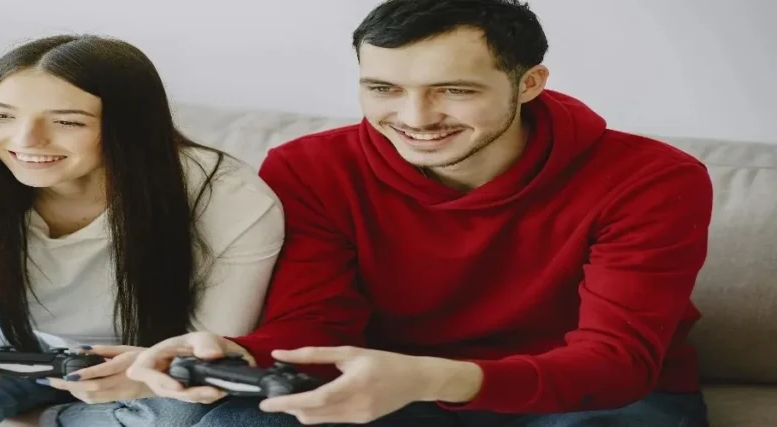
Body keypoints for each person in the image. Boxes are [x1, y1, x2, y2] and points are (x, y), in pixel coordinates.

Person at [127, 0, 714, 426]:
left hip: (588, 401)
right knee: (240, 420)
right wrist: (236, 354)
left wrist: (436, 376)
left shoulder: (652, 179)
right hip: (390, 391)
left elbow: (614, 364)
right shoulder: (311, 168)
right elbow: (317, 324)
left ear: (529, 83)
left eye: (454, 90)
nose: (416, 117)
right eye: (383, 88)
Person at [0, 34, 287, 427]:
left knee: (179, 415)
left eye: (67, 122)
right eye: (2, 115)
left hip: (150, 357)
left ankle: (40, 417)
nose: (25, 140)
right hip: (13, 341)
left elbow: (211, 344)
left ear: (130, 128)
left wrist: (142, 376)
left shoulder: (228, 197)